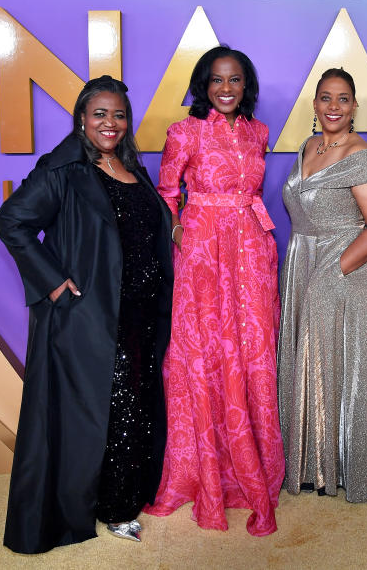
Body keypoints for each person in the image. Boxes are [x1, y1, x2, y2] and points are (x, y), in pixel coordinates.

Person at [0, 76, 173, 553]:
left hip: (139, 314)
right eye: (99, 114)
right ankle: (110, 509)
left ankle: (122, 497)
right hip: (91, 315)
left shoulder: (132, 168)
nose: (110, 123)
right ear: (81, 119)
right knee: (102, 412)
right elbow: (11, 221)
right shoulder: (64, 169)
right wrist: (53, 282)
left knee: (132, 407)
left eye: (118, 115)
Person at [145, 46, 284, 536]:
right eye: (218, 80)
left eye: (236, 81)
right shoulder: (183, 132)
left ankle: (251, 465)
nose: (227, 89)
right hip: (204, 253)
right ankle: (205, 470)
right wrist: (185, 234)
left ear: (246, 87)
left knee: (250, 348)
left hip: (250, 250)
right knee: (204, 349)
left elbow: (252, 194)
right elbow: (165, 193)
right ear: (204, 84)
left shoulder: (259, 133)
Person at [278, 68, 367, 502]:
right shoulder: (309, 146)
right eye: (325, 98)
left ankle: (345, 464)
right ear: (314, 104)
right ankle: (312, 461)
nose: (333, 106)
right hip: (304, 260)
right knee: (315, 358)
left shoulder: (362, 155)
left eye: (343, 98)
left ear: (353, 106)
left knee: (335, 362)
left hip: (350, 267)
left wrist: (334, 270)